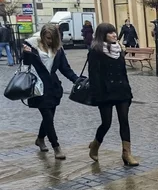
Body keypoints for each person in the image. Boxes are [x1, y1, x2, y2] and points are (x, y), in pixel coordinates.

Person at [22, 24, 80, 159]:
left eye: (52, 39)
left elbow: (65, 68)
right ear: (42, 36)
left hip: (53, 87)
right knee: (48, 117)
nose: (49, 41)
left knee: (49, 117)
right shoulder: (31, 46)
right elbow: (25, 65)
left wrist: (76, 80)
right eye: (47, 38)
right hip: (37, 87)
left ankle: (40, 139)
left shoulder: (58, 49)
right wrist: (26, 54)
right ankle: (56, 147)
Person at [87, 23, 139, 167]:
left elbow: (123, 72)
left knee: (124, 121)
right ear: (102, 35)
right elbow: (94, 75)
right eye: (110, 33)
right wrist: (97, 95)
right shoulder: (95, 51)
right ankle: (95, 145)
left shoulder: (119, 49)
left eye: (114, 32)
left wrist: (128, 91)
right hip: (105, 93)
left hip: (121, 90)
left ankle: (126, 153)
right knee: (107, 122)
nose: (114, 35)